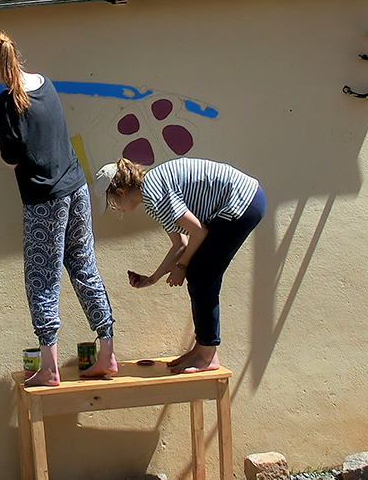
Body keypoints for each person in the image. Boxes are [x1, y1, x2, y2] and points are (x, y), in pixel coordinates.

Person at [0, 30, 117, 386]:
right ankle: (108, 355)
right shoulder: (44, 85)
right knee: (83, 266)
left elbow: (13, 157)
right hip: (76, 189)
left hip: (44, 202)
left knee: (42, 279)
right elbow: (28, 111)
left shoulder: (6, 105)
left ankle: (49, 369)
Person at [94, 157, 265, 373]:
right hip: (242, 201)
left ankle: (207, 355)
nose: (115, 208)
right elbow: (181, 245)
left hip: (243, 201)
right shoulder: (152, 196)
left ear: (120, 192)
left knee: (201, 274)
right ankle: (203, 347)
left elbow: (199, 232)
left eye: (112, 202)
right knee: (201, 272)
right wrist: (152, 278)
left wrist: (182, 267)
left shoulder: (155, 193)